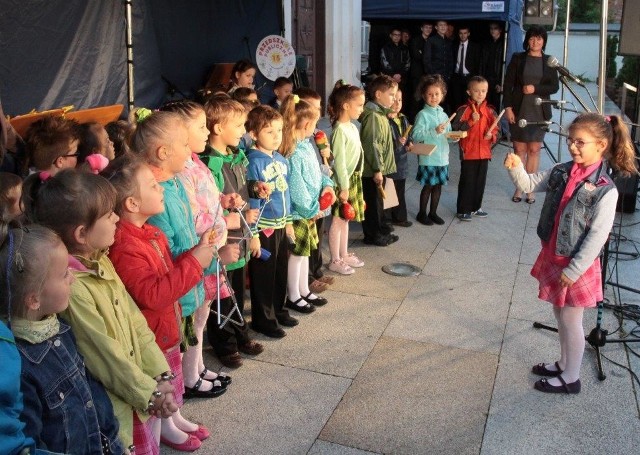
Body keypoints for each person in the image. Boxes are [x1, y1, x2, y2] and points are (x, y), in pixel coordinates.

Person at [22, 169, 178, 453]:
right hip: (118, 405)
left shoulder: (101, 261)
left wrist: (160, 375)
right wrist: (150, 392)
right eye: (109, 215)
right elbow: (105, 354)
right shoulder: (75, 288)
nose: (117, 218)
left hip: (140, 391)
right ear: (82, 233)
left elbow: (135, 320)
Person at [504, 113, 638, 394]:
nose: (573, 147)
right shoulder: (561, 170)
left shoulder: (605, 189)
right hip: (554, 254)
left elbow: (597, 236)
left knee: (570, 319)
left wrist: (575, 269)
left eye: (580, 142)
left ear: (601, 145)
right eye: (570, 140)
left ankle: (572, 377)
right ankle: (563, 363)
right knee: (558, 311)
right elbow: (529, 185)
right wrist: (516, 168)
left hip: (576, 264)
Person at [106, 154, 222, 451]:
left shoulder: (150, 233)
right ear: (132, 204)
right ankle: (155, 440)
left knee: (168, 387)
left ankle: (167, 427)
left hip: (164, 331)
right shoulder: (126, 245)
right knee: (153, 403)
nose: (161, 189)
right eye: (152, 186)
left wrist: (194, 254)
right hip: (151, 337)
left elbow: (167, 273)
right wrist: (195, 263)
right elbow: (153, 294)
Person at [127, 109, 230, 403]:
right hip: (176, 291)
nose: (190, 151)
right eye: (184, 145)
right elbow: (164, 254)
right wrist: (200, 255)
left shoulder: (174, 183)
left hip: (188, 281)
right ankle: (175, 407)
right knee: (169, 361)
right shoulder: (158, 193)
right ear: (163, 152)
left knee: (184, 345)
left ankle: (183, 396)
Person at [1, 222, 125, 454]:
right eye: (64, 274)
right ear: (34, 299)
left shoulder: (61, 327)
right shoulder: (20, 367)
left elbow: (92, 391)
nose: (72, 279)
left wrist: (112, 436)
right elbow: (33, 438)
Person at [202, 95, 264, 368]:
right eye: (238, 125)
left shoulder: (236, 155)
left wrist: (255, 188)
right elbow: (208, 205)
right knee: (220, 295)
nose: (242, 130)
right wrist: (235, 219)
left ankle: (240, 334)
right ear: (217, 128)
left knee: (236, 291)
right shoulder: (209, 163)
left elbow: (240, 187)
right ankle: (224, 344)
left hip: (241, 235)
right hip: (223, 239)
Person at [280, 94, 335, 313]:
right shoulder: (292, 151)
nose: (315, 129)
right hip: (300, 213)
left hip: (311, 210)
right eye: (313, 124)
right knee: (298, 254)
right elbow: (297, 189)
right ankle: (294, 294)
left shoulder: (305, 145)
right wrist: (313, 209)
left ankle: (304, 289)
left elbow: (317, 172)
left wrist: (327, 184)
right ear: (303, 124)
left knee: (305, 254)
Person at [246, 105, 296, 338]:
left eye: (279, 131)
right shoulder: (253, 162)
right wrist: (253, 233)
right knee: (264, 274)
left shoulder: (281, 159)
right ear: (254, 134)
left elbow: (286, 194)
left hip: (280, 223)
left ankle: (279, 309)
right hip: (263, 227)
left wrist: (289, 222)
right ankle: (263, 319)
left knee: (280, 270)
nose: (277, 137)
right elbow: (253, 200)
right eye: (269, 132)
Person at [503, 25, 559, 204]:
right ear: (527, 40)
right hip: (520, 109)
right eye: (532, 38)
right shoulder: (518, 58)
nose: (535, 42)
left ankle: (530, 188)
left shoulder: (549, 61)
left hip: (539, 110)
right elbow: (508, 84)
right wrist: (508, 108)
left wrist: (535, 88)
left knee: (534, 150)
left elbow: (554, 87)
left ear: (544, 41)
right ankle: (520, 186)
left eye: (539, 39)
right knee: (520, 150)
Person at [294, 87, 335, 292]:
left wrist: (328, 183)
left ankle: (316, 270)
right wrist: (311, 207)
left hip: (318, 193)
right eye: (311, 107)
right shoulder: (297, 142)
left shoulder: (316, 136)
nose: (317, 112)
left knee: (317, 238)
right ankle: (307, 279)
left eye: (318, 108)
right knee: (304, 247)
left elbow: (325, 162)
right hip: (307, 203)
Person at [326, 81, 366, 274]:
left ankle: (344, 253)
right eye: (359, 105)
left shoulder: (351, 126)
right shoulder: (340, 130)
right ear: (346, 106)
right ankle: (335, 259)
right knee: (338, 219)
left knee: (346, 219)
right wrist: (343, 185)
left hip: (352, 179)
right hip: (343, 181)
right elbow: (340, 162)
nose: (362, 109)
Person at [360, 75, 399, 247]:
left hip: (380, 168)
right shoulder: (374, 116)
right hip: (372, 170)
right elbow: (372, 144)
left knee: (380, 201)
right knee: (373, 203)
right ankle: (373, 234)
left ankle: (381, 228)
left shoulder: (381, 114)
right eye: (391, 94)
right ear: (378, 94)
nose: (393, 98)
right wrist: (377, 168)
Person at [452, 76, 498, 221]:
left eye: (483, 91)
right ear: (468, 92)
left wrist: (491, 135)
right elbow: (455, 128)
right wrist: (471, 121)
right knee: (467, 182)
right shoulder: (463, 110)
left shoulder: (490, 111)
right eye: (476, 91)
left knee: (480, 182)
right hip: (469, 152)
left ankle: (476, 207)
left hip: (484, 152)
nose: (480, 94)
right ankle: (463, 209)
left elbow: (497, 129)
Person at [410, 74, 453, 226]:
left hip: (442, 157)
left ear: (442, 95)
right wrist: (434, 131)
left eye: (437, 94)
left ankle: (433, 212)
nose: (433, 97)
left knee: (438, 186)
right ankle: (422, 213)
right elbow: (415, 135)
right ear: (423, 95)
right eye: (430, 94)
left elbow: (448, 134)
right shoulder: (422, 115)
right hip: (429, 157)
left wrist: (455, 137)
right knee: (428, 186)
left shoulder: (444, 114)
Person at [385, 89, 412, 227]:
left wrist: (409, 143)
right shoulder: (386, 120)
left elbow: (408, 135)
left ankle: (400, 217)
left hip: (402, 161)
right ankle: (388, 219)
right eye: (394, 99)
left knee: (400, 190)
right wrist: (397, 143)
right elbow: (385, 141)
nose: (397, 103)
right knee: (389, 191)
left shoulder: (403, 118)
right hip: (390, 161)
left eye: (400, 100)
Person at [450, 25, 482, 112]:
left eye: (465, 33)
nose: (463, 35)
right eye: (461, 33)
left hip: (469, 77)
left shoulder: (475, 46)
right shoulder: (454, 45)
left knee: (468, 101)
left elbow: (478, 63)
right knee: (456, 101)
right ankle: (457, 122)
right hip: (456, 77)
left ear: (468, 34)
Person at [408, 22, 433, 119]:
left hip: (428, 74)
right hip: (417, 74)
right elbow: (416, 55)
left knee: (426, 98)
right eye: (426, 27)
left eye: (430, 27)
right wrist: (427, 56)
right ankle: (413, 121)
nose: (428, 29)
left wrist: (423, 53)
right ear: (421, 28)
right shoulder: (415, 40)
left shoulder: (432, 40)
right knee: (416, 98)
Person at [481, 22, 505, 112]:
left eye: (495, 28)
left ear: (500, 30)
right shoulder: (487, 43)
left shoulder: (504, 44)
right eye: (491, 28)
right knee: (486, 104)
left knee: (496, 106)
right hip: (487, 78)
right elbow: (482, 63)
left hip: (497, 79)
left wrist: (501, 82)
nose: (492, 30)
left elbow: (504, 65)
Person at [423, 21, 454, 85]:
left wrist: (449, 74)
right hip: (434, 76)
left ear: (447, 27)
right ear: (436, 27)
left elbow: (451, 59)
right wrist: (432, 74)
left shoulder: (449, 41)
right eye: (440, 25)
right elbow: (426, 59)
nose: (443, 27)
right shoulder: (431, 40)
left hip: (446, 76)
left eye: (445, 25)